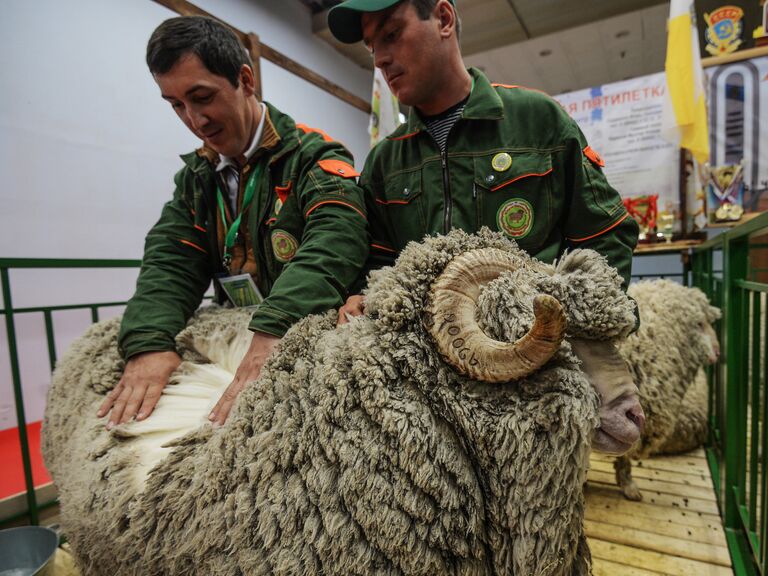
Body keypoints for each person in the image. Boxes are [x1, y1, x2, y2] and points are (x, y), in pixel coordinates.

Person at [98, 16, 368, 428]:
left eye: (202, 96)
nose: (194, 119)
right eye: (176, 105)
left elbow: (335, 241)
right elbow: (171, 260)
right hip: (238, 344)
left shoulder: (314, 158)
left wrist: (276, 327)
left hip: (303, 339)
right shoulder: (196, 179)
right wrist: (149, 343)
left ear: (245, 79)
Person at [328, 0, 639, 322]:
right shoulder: (385, 161)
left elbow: (604, 236)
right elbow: (377, 263)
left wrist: (577, 325)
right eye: (372, 48)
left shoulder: (537, 121)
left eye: (391, 34)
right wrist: (362, 297)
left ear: (444, 19)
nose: (380, 59)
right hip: (429, 355)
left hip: (538, 347)